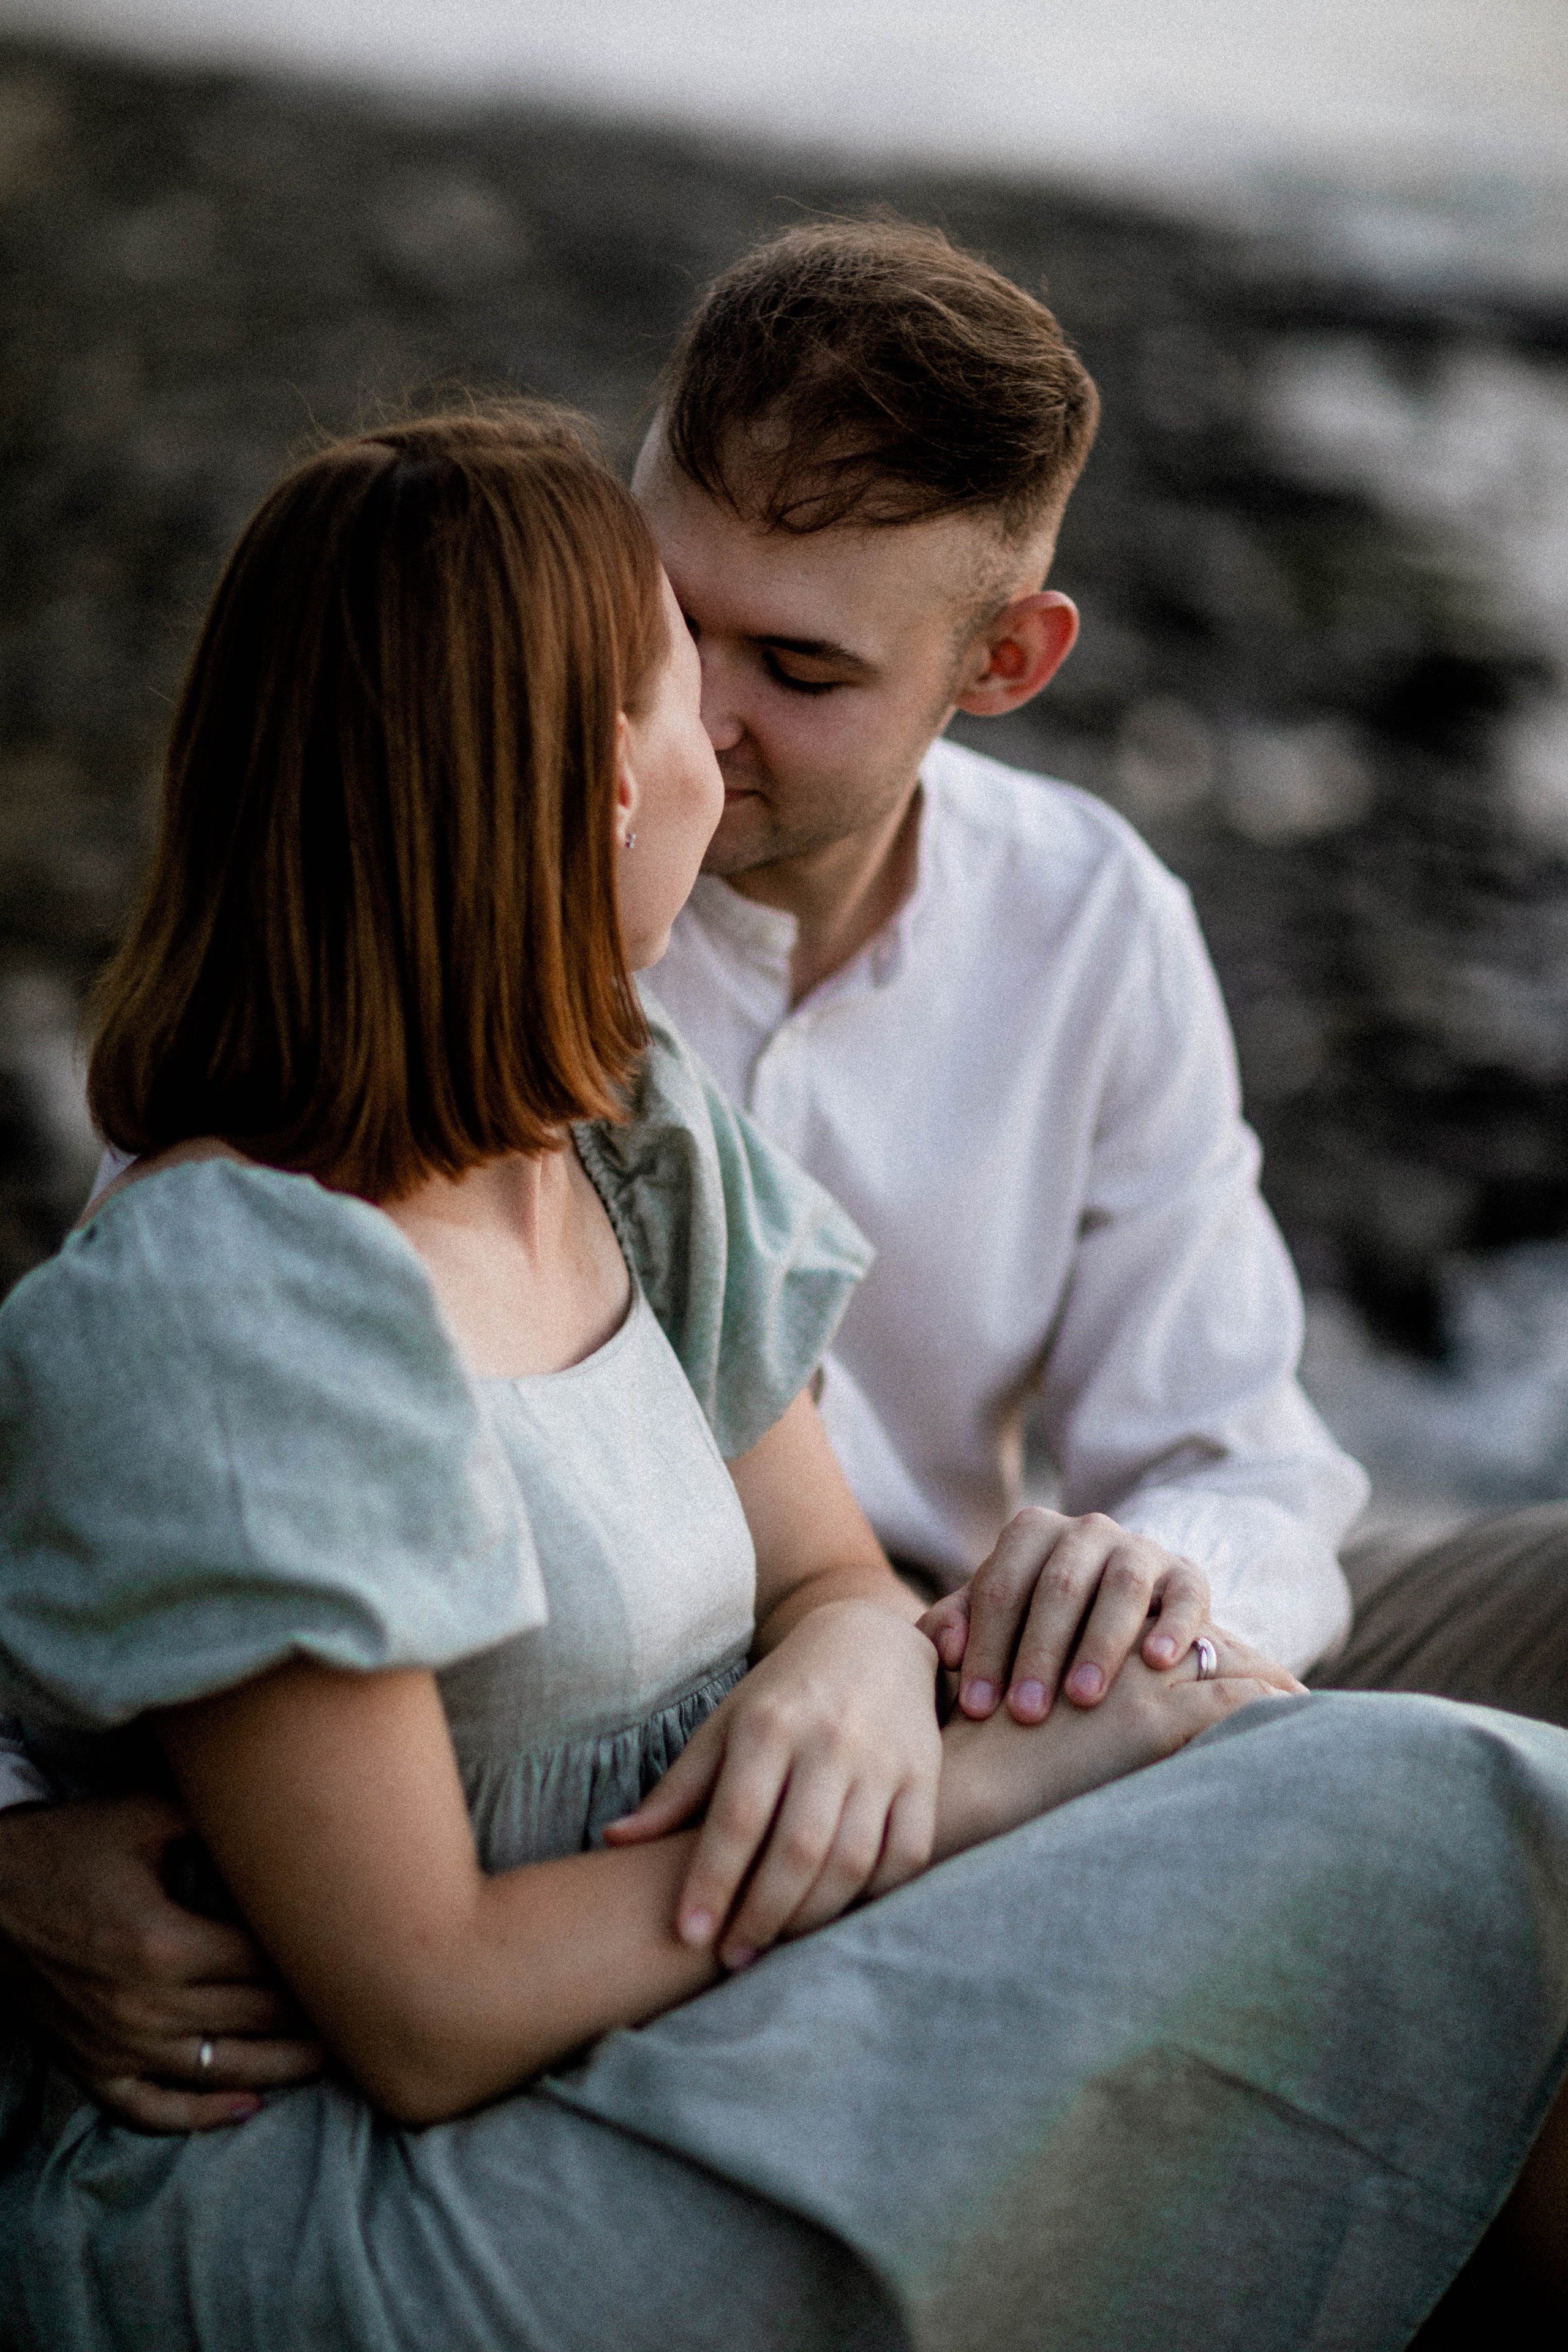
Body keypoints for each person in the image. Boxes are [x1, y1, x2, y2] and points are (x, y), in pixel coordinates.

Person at [1, 404, 1567, 2352]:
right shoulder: (235, 1290)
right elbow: (425, 2013)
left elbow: (843, 1579)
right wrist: (1045, 1758)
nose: (720, 756)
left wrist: (874, 1661)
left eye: (785, 677)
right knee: (1449, 1827)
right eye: (684, 690)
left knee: (1468, 1824)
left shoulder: (619, 1132)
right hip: (380, 2168)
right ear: (600, 792)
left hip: (750, 1940)